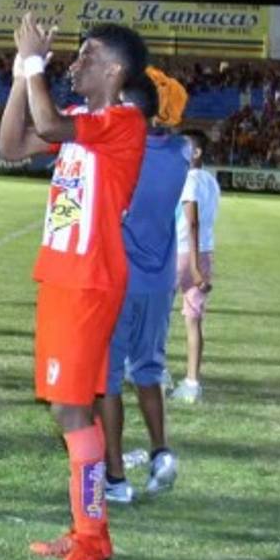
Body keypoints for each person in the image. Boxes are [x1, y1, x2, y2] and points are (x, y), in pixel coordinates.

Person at [0, 14, 150, 560]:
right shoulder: (85, 120)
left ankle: (93, 540)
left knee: (69, 408)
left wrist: (37, 62)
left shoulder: (124, 121)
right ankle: (86, 527)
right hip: (63, 276)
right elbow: (11, 145)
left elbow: (48, 123)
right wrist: (21, 70)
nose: (76, 63)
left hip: (89, 279)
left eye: (86, 56)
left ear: (113, 70)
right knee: (69, 405)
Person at [97, 70, 191, 505]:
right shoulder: (180, 155)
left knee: (108, 380)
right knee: (149, 371)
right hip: (159, 281)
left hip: (119, 281)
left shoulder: (124, 155)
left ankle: (115, 477)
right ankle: (161, 452)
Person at [169, 130, 220, 404]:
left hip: (183, 252)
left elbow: (192, 222)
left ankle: (157, 371)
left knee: (158, 316)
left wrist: (193, 265)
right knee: (194, 319)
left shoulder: (189, 179)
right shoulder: (211, 181)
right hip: (205, 252)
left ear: (197, 152)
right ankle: (191, 382)